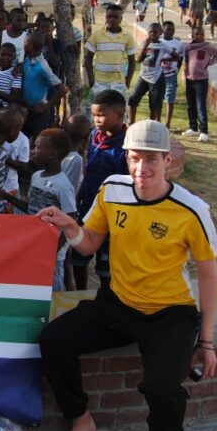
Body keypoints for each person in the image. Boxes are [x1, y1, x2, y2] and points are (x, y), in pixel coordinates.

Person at [38, 120, 217, 431]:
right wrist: (69, 226)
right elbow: (89, 245)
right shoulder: (112, 189)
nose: (142, 168)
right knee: (53, 340)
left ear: (168, 160)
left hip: (169, 312)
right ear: (126, 157)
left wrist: (206, 340)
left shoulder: (191, 209)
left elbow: (209, 275)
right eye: (135, 158)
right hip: (117, 303)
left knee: (161, 389)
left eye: (152, 159)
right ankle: (82, 420)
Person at [0, 128, 76, 290]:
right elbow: (31, 208)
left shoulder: (63, 186)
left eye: (38, 147)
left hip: (51, 252)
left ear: (53, 154)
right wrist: (6, 196)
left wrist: (54, 249)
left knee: (53, 288)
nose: (33, 151)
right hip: (34, 243)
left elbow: (71, 220)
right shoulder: (36, 176)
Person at [73, 89, 128, 290]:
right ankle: (80, 293)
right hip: (87, 208)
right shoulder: (95, 136)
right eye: (94, 114)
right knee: (79, 256)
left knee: (105, 263)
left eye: (102, 115)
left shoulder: (126, 146)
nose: (96, 119)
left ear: (119, 115)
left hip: (110, 214)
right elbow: (89, 171)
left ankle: (106, 296)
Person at [85, 4, 136, 102]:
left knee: (119, 114)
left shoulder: (127, 37)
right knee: (97, 113)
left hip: (119, 84)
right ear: (106, 18)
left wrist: (127, 82)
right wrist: (92, 82)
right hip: (99, 83)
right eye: (109, 17)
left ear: (121, 19)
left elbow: (132, 62)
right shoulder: (97, 35)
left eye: (116, 17)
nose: (112, 19)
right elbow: (88, 60)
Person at [181, 27, 217, 142]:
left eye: (202, 34)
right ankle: (193, 127)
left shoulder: (207, 47)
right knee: (191, 105)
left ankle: (204, 131)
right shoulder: (189, 48)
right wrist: (185, 75)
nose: (200, 36)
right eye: (197, 34)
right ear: (193, 36)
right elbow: (186, 62)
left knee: (200, 106)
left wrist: (209, 62)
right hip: (190, 80)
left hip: (201, 80)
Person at [20, 33, 66, 139]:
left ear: (30, 46)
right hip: (26, 109)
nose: (23, 45)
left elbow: (62, 89)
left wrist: (47, 106)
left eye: (25, 43)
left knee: (38, 142)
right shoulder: (27, 59)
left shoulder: (42, 66)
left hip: (38, 112)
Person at [128, 22, 172, 124]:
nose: (152, 34)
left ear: (160, 33)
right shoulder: (145, 43)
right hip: (143, 76)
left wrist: (164, 61)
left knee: (154, 104)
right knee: (132, 99)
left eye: (155, 32)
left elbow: (175, 56)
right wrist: (146, 45)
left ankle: (152, 124)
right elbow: (138, 59)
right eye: (150, 32)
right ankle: (131, 123)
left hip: (156, 78)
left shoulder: (163, 45)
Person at [158, 21, 184, 130]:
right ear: (163, 30)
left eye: (172, 30)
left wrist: (176, 69)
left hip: (171, 75)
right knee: (158, 98)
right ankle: (157, 121)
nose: (170, 32)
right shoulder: (158, 42)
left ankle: (167, 123)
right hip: (158, 74)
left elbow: (180, 58)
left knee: (170, 99)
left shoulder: (178, 44)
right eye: (168, 29)